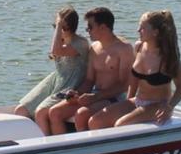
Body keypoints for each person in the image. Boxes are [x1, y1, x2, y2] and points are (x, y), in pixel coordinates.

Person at [42, 7, 133, 135]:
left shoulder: (124, 49)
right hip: (95, 95)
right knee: (55, 112)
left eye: (90, 27)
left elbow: (124, 85)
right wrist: (76, 94)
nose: (87, 30)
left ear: (103, 27)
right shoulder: (94, 48)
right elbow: (89, 80)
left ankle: (87, 150)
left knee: (81, 114)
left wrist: (96, 97)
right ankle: (64, 151)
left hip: (114, 98)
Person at [88, 10, 181, 128]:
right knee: (95, 121)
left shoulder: (167, 56)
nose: (138, 30)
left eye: (143, 28)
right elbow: (133, 82)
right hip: (138, 101)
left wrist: (169, 107)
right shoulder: (138, 47)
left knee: (120, 125)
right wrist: (127, 103)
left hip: (158, 105)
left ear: (155, 32)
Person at [15, 7, 89, 124]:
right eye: (55, 27)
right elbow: (55, 53)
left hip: (70, 84)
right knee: (21, 110)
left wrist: (59, 25)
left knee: (41, 112)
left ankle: (45, 139)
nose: (56, 30)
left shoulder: (80, 43)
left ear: (68, 27)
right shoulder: (62, 41)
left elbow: (56, 51)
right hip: (56, 79)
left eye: (59, 27)